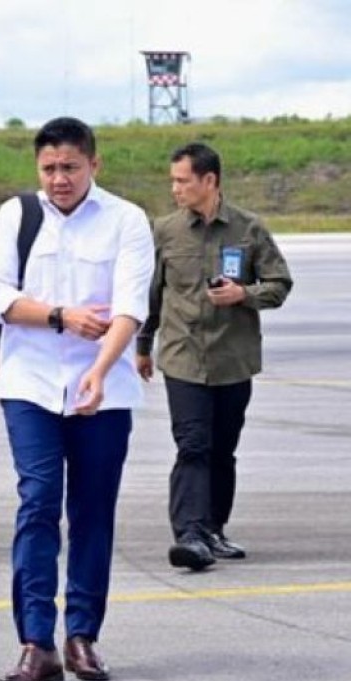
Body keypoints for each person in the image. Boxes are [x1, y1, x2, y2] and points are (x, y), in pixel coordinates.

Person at [0, 117, 153, 681]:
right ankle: (36, 643)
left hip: (101, 388)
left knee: (92, 509)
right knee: (37, 504)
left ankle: (82, 635)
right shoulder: (16, 214)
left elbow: (131, 305)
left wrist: (101, 370)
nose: (59, 179)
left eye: (70, 167)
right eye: (50, 168)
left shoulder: (126, 220)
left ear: (93, 165)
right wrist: (60, 317)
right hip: (29, 382)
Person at [137, 142, 293, 571]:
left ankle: (213, 529)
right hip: (182, 357)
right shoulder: (165, 230)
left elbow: (280, 283)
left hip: (232, 359)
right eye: (173, 180)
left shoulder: (249, 229)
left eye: (183, 180)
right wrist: (142, 346)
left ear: (210, 181)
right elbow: (151, 294)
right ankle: (188, 533)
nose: (175, 189)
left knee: (222, 449)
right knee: (192, 446)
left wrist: (244, 293)